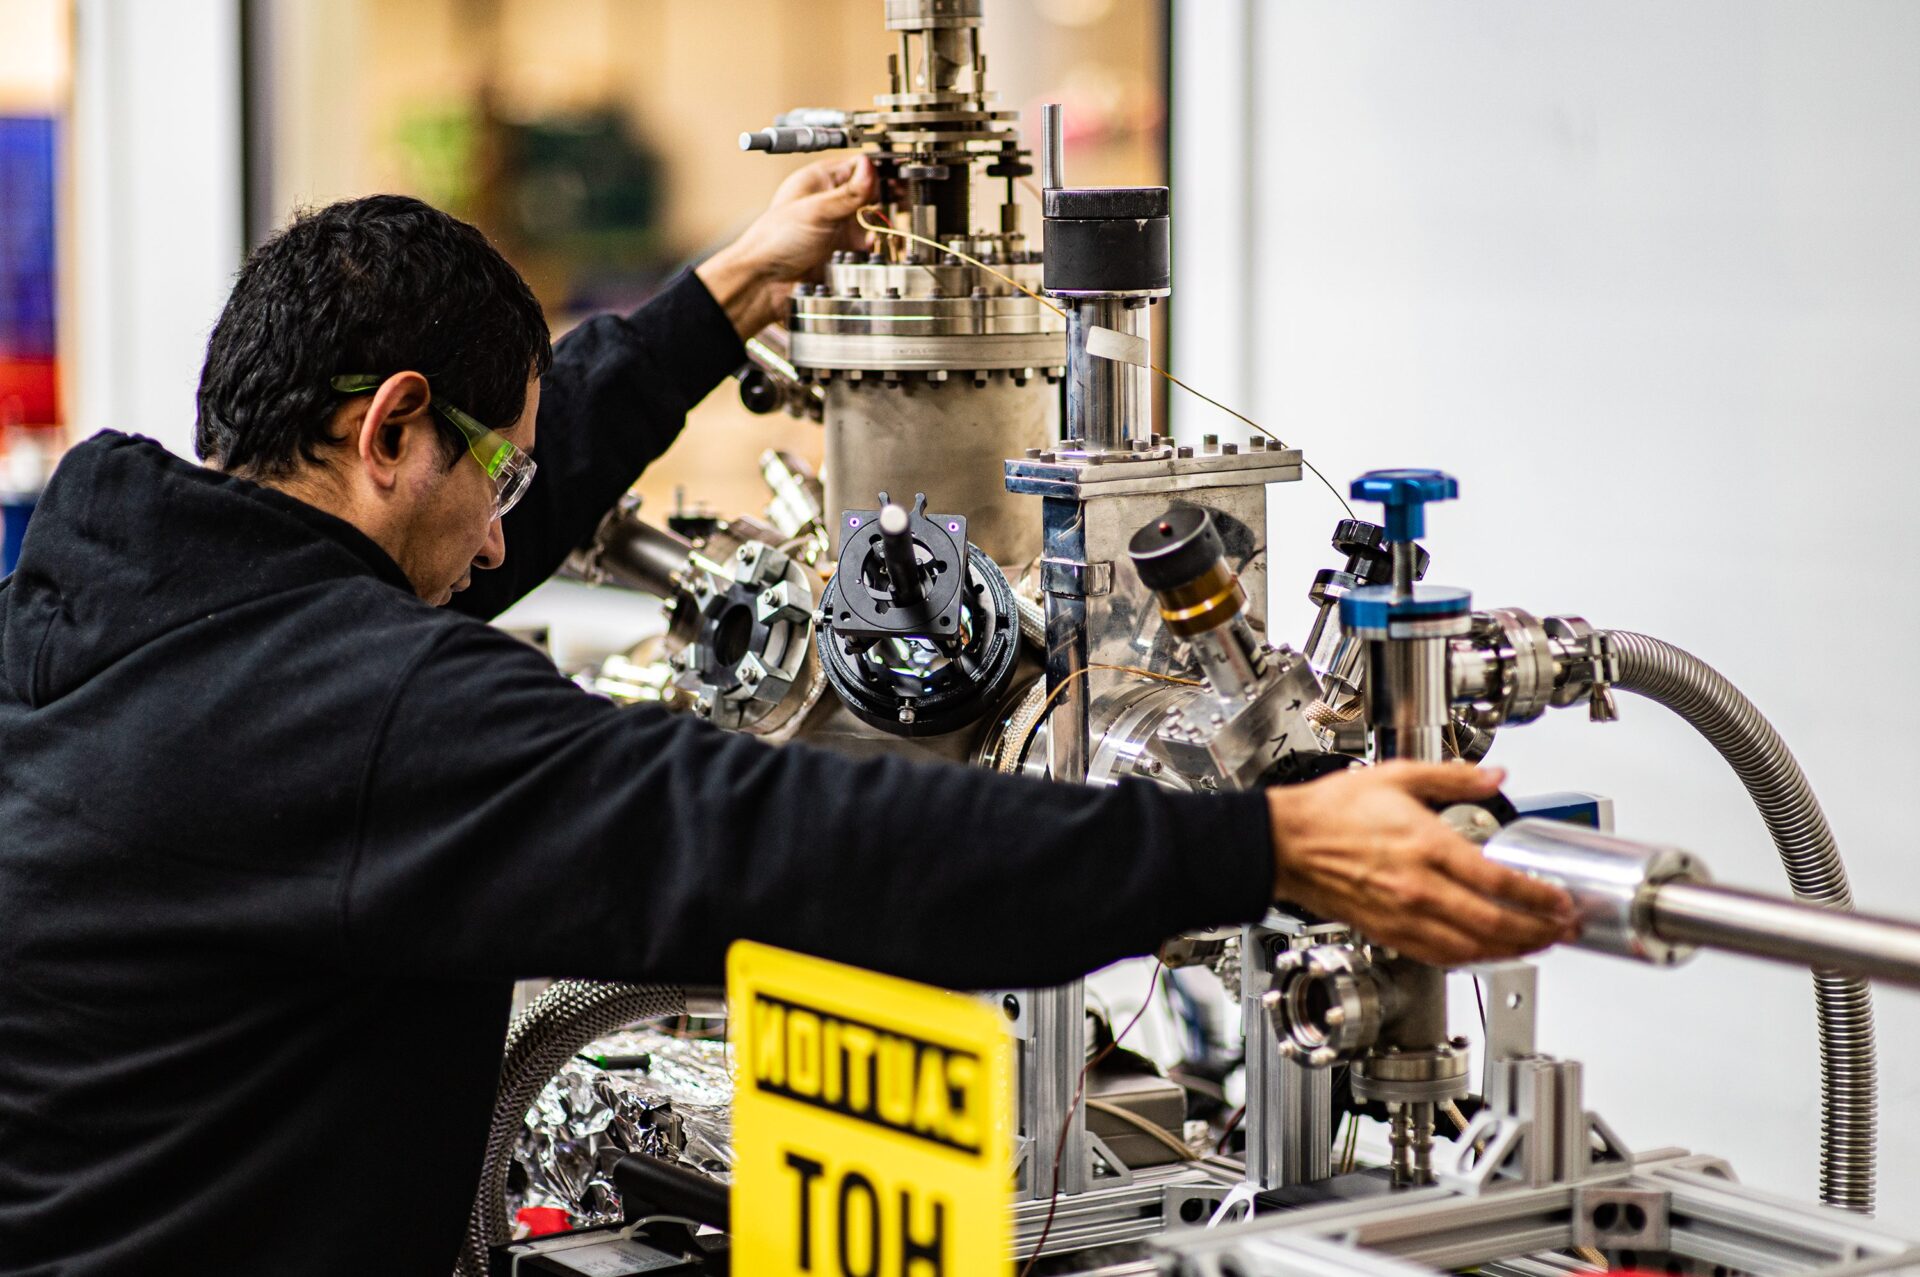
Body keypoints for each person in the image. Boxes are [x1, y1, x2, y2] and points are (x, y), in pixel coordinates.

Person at [0, 157, 1574, 1275]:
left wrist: (721, 299)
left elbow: (411, 586)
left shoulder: (104, 589)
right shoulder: (360, 718)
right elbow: (778, 839)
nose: (501, 543)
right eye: (501, 477)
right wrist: (1259, 845)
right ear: (394, 425)